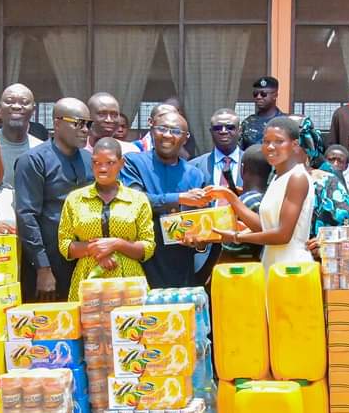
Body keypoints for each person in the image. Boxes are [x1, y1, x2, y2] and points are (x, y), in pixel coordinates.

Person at [208, 117, 314, 272]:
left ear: (294, 145)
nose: (271, 147)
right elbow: (265, 227)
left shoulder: (297, 178)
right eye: (266, 141)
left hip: (292, 269)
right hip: (272, 265)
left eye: (279, 141)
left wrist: (237, 237)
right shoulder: (277, 178)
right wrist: (231, 198)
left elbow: (283, 235)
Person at [15, 98, 95, 302]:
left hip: (86, 262)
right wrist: (43, 268)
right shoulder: (33, 160)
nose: (85, 129)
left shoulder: (89, 160)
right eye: (78, 123)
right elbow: (27, 216)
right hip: (49, 264)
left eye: (88, 124)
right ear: (57, 123)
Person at [58, 138, 155, 300]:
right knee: (89, 324)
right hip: (88, 279)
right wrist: (97, 250)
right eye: (97, 163)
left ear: (121, 164)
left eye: (110, 163)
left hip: (128, 280)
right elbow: (65, 244)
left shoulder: (137, 199)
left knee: (129, 324)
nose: (102, 168)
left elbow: (148, 246)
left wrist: (117, 244)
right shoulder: (75, 199)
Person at [121, 111, 208, 288]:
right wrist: (179, 198)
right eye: (162, 129)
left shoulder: (195, 175)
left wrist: (200, 243)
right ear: (152, 130)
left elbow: (202, 223)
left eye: (175, 131)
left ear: (185, 138)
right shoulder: (133, 162)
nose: (167, 135)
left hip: (181, 266)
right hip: (141, 261)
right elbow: (134, 201)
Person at [219, 144, 268, 262]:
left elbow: (229, 250)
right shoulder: (270, 200)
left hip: (240, 274)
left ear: (242, 169)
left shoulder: (244, 202)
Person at [0, 84, 43, 189]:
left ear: (33, 110)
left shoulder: (42, 150)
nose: (16, 107)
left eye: (24, 103)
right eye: (9, 101)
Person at [190, 109, 242, 193]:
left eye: (230, 127)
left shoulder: (252, 164)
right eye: (217, 128)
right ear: (211, 132)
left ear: (239, 131)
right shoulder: (194, 166)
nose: (223, 131)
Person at [239, 76, 286, 149]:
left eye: (263, 94)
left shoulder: (285, 122)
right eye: (255, 94)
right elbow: (240, 152)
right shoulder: (247, 123)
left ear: (275, 95)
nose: (258, 97)